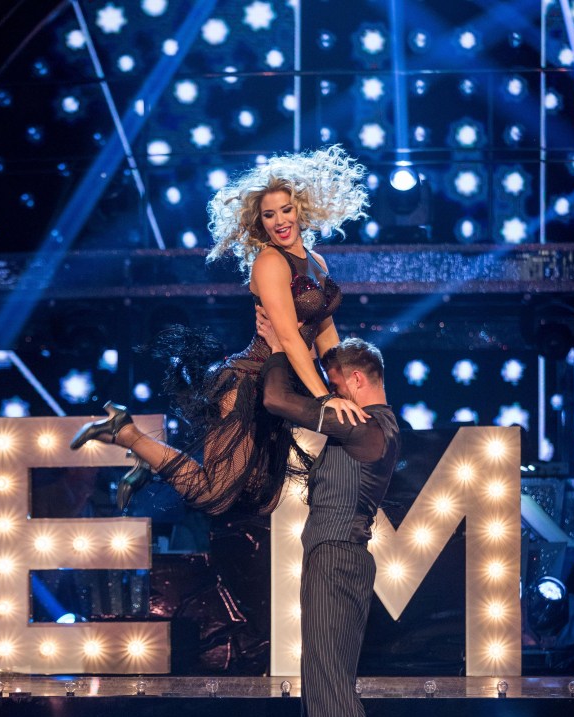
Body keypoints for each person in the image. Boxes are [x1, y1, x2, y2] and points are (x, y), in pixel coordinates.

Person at [69, 145, 370, 515]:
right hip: (248, 383)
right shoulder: (270, 262)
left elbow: (326, 334)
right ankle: (126, 431)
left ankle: (150, 461)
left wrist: (347, 387)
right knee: (215, 495)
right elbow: (289, 337)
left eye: (286, 210)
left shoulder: (318, 263)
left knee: (261, 498)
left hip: (282, 389)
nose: (280, 221)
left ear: (301, 209)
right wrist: (325, 399)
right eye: (269, 215)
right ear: (260, 222)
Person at [258, 319, 400, 717]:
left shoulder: (366, 428)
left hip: (339, 560)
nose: (327, 396)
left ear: (359, 382)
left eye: (334, 386)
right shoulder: (364, 422)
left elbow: (276, 399)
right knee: (318, 683)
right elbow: (313, 373)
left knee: (332, 686)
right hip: (331, 558)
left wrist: (276, 347)